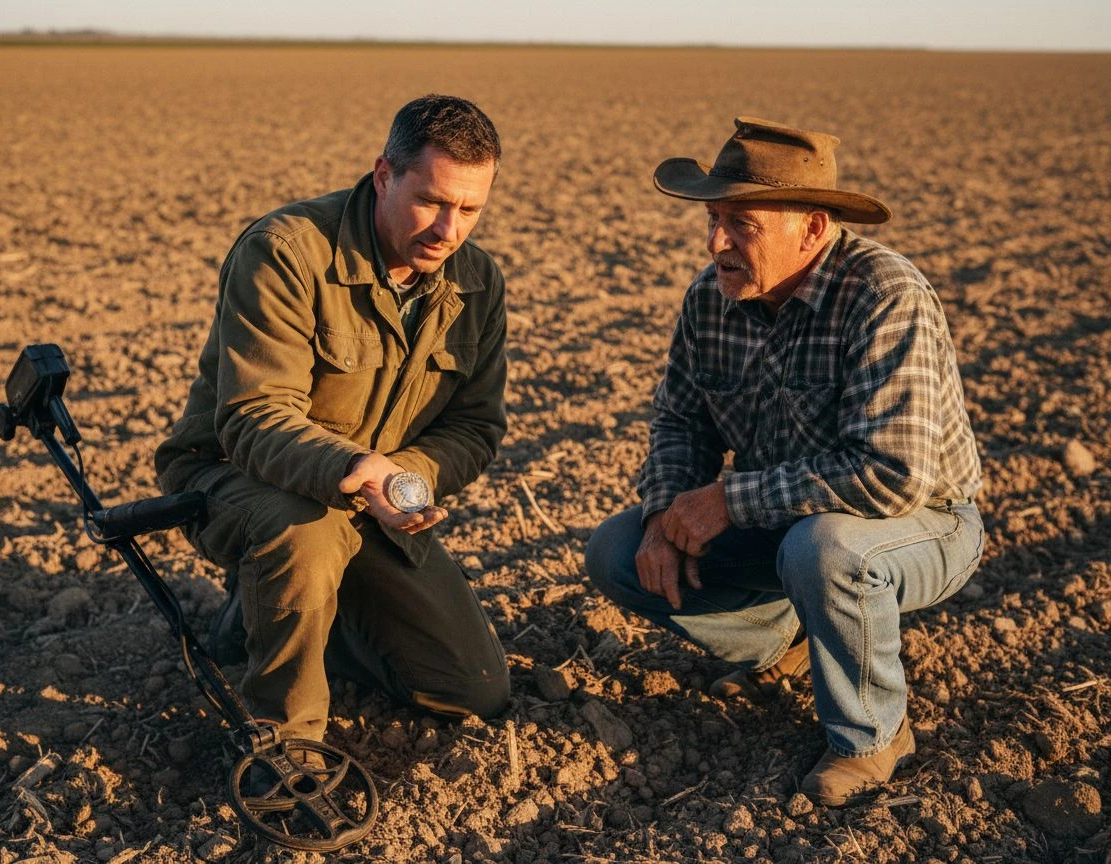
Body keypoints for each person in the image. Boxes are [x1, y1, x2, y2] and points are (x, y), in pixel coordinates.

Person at [586, 117, 984, 806]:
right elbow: (681, 420)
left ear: (814, 227)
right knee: (618, 551)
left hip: (923, 523)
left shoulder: (884, 297)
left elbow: (896, 475)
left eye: (742, 223)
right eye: (714, 219)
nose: (716, 243)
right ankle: (788, 644)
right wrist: (664, 513)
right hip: (788, 519)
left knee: (826, 549)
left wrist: (729, 501)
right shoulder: (710, 300)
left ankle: (873, 737)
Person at [154, 95, 510, 745]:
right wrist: (354, 469)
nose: (448, 230)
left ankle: (288, 613)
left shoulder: (477, 283)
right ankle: (284, 743)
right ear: (383, 175)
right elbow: (253, 416)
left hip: (369, 496)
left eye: (470, 209)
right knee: (305, 533)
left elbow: (475, 426)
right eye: (431, 200)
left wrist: (400, 478)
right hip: (230, 475)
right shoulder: (287, 252)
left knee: (473, 688)